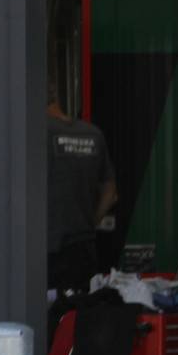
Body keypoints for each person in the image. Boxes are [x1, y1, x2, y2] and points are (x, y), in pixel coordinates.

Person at [47, 83, 118, 295]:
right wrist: (89, 221)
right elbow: (111, 193)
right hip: (83, 248)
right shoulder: (92, 134)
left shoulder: (34, 132)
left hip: (48, 250)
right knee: (77, 315)